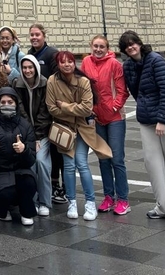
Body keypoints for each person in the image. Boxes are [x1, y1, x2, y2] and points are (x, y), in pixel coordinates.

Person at [120, 30, 165, 225]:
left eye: (133, 43)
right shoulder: (128, 66)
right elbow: (136, 93)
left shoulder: (157, 61)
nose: (131, 47)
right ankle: (162, 205)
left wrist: (162, 119)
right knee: (153, 164)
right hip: (147, 120)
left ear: (139, 43)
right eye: (126, 46)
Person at [46, 50, 112, 221]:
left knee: (82, 163)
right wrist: (74, 111)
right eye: (63, 62)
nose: (67, 65)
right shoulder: (52, 81)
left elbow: (87, 109)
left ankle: (90, 202)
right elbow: (52, 109)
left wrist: (65, 106)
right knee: (68, 165)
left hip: (82, 128)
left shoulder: (83, 81)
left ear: (74, 63)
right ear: (58, 64)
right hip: (64, 130)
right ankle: (72, 202)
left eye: (70, 61)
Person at [81, 35, 130, 215]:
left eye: (102, 46)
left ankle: (123, 199)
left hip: (115, 118)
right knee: (103, 159)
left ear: (107, 48)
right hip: (97, 117)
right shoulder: (86, 62)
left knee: (116, 159)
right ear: (91, 46)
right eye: (95, 46)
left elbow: (122, 91)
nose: (98, 49)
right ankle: (109, 196)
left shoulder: (114, 64)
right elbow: (83, 87)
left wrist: (114, 107)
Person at [0, 87, 37, 225]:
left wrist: (24, 150)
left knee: (29, 183)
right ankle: (1, 210)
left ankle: (26, 212)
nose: (7, 105)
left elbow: (31, 160)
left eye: (10, 102)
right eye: (3, 102)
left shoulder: (25, 125)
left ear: (16, 103)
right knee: (5, 193)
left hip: (20, 169)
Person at [28, 23, 64, 204]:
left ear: (44, 36)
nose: (34, 38)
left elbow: (58, 78)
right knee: (46, 150)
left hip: (52, 109)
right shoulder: (29, 54)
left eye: (37, 34)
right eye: (32, 35)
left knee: (57, 149)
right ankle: (49, 184)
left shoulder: (51, 54)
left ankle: (58, 185)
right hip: (38, 108)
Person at [11, 56, 51, 216]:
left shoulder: (45, 83)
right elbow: (20, 112)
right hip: (26, 135)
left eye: (30, 67)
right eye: (25, 67)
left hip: (43, 133)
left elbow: (44, 113)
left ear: (36, 68)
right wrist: (30, 137)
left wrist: (38, 137)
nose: (27, 70)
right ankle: (31, 201)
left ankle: (45, 202)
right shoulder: (17, 84)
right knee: (30, 163)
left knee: (41, 162)